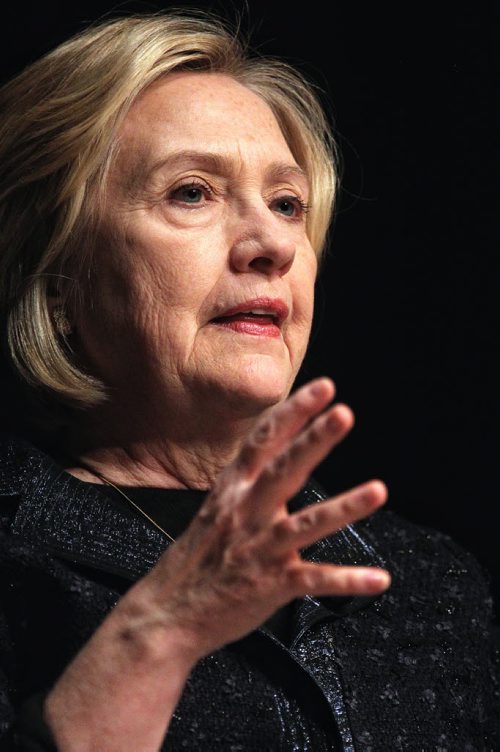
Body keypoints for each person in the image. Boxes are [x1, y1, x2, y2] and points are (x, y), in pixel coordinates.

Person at [0, 11, 497, 751]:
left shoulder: (431, 586)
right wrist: (157, 636)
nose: (271, 244)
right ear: (59, 281)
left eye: (288, 204)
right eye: (192, 193)